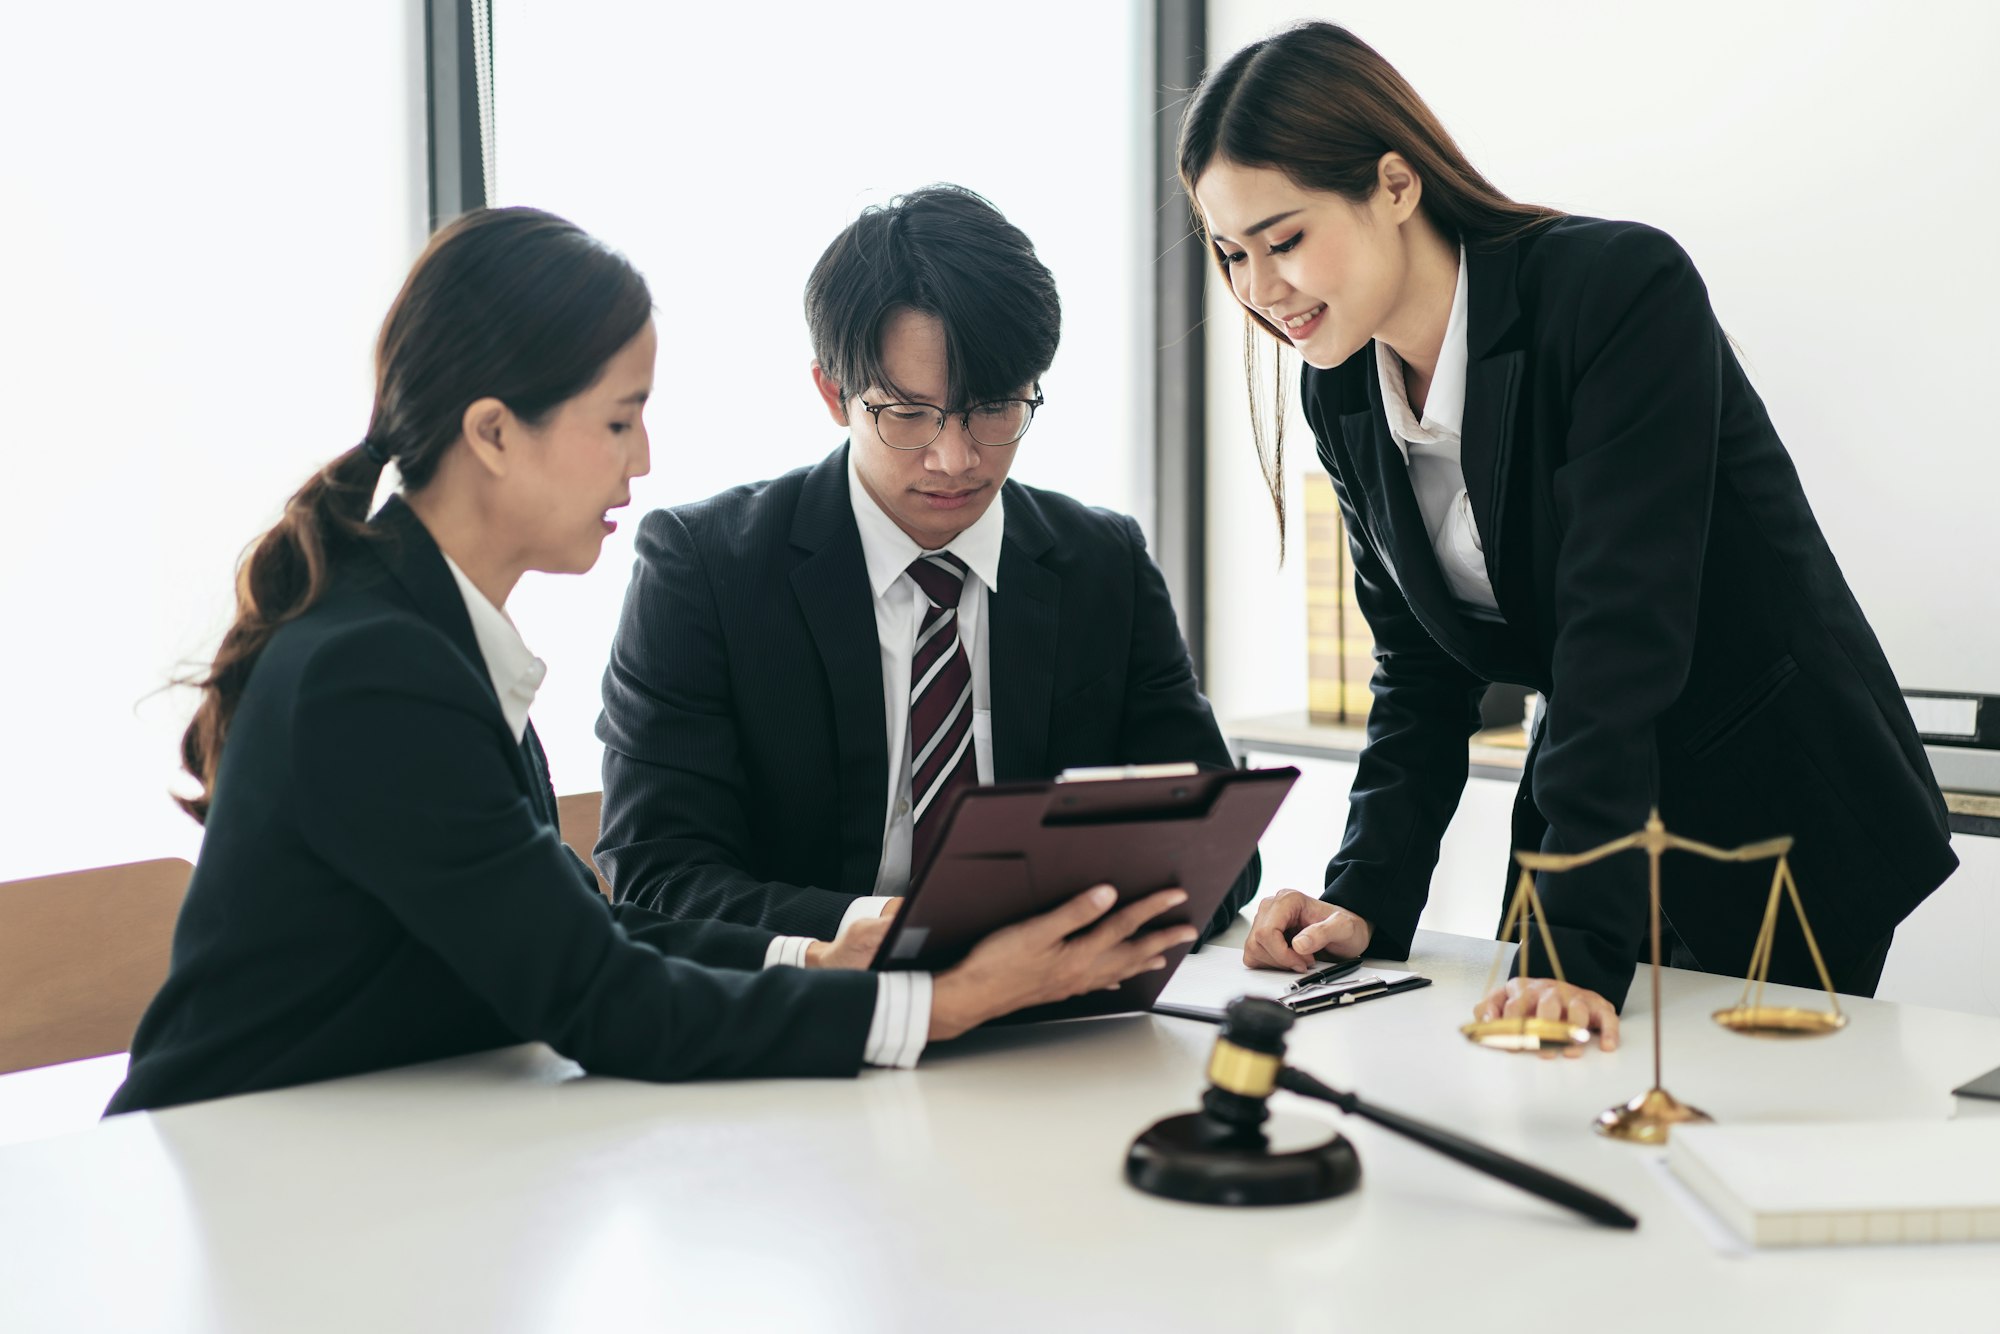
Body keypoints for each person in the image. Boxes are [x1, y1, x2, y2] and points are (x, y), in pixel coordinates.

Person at [106, 207, 1194, 1116]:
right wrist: (945, 1003)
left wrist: (817, 952)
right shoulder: (374, 669)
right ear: (492, 432)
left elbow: (576, 929)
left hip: (377, 1149)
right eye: (620, 420)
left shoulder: (424, 634)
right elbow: (598, 993)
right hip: (242, 1171)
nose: (646, 459)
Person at [1179, 22, 1956, 1047]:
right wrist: (1362, 897)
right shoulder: (1343, 391)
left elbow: (1616, 640)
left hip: (1773, 817)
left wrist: (1565, 951)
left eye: (1282, 241)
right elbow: (1417, 671)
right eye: (1229, 254)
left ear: (1395, 186)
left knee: (1732, 1150)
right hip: (1590, 818)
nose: (1256, 290)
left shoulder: (1614, 291)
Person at [594, 184, 1257, 949]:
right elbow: (658, 875)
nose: (957, 458)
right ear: (832, 393)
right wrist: (902, 934)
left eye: (994, 409)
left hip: (1054, 1023)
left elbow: (1220, 844)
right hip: (818, 1023)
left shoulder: (1101, 563)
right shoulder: (705, 570)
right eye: (909, 416)